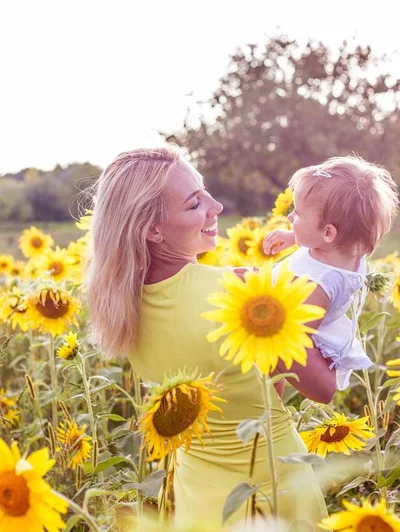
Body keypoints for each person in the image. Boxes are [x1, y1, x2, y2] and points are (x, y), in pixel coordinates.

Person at [85, 146, 335, 530]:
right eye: (194, 203)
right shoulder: (241, 291)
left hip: (197, 498)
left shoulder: (118, 309)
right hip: (276, 485)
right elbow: (320, 387)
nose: (216, 206)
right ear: (152, 229)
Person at [264, 155, 399, 390]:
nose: (290, 217)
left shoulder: (318, 287)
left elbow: (292, 342)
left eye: (298, 213)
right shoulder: (346, 249)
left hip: (276, 322)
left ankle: (272, 406)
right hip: (281, 292)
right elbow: (328, 244)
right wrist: (294, 237)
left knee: (271, 373)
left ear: (328, 233)